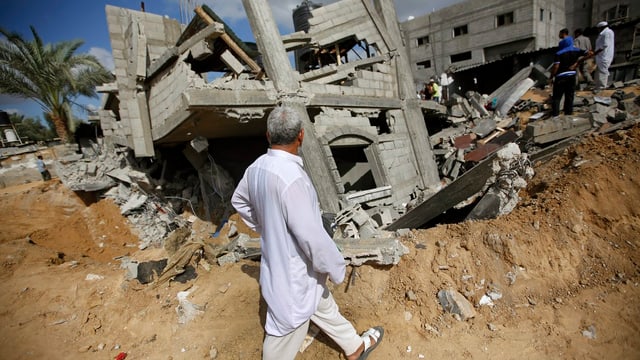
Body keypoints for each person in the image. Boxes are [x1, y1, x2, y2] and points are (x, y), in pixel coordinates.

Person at [231, 105, 383, 360]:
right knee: (284, 329)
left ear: (268, 135)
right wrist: (336, 268)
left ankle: (355, 347)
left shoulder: (256, 168)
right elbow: (312, 237)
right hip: (293, 274)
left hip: (282, 264)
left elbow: (239, 201)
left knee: (319, 301)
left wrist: (266, 226)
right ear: (301, 135)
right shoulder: (293, 180)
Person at [549, 36, 587, 116]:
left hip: (560, 77)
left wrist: (551, 77)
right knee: (569, 96)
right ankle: (568, 114)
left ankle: (555, 115)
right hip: (572, 76)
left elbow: (556, 67)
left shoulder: (559, 53)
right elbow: (590, 53)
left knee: (557, 97)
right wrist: (577, 63)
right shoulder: (577, 51)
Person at [593, 21, 615, 92]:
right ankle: (597, 86)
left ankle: (602, 87)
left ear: (602, 27)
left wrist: (595, 52)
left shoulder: (607, 32)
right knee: (599, 71)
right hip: (601, 56)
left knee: (603, 71)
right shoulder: (603, 33)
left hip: (604, 55)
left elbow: (605, 45)